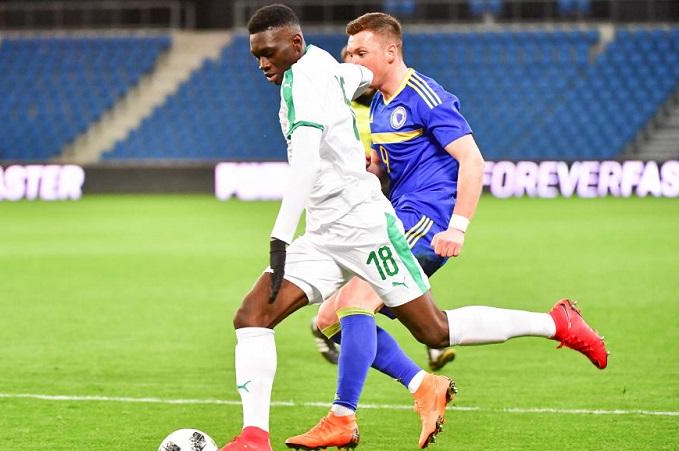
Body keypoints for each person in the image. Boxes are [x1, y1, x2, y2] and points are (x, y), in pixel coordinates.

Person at [285, 12, 609, 450]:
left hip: (425, 221)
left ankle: (343, 417)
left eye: (361, 53)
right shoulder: (377, 104)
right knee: (358, 323)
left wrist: (458, 226)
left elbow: (472, 159)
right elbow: (394, 171)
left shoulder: (425, 95)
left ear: (391, 52)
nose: (352, 62)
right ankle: (551, 326)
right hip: (393, 217)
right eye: (348, 54)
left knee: (356, 302)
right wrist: (370, 169)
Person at [222, 4, 455, 451]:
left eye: (268, 52)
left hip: (365, 227)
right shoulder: (324, 64)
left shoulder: (305, 82)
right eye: (256, 56)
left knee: (433, 330)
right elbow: (355, 77)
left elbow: (306, 165)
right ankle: (255, 437)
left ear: (294, 43)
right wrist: (369, 74)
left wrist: (279, 237)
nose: (262, 63)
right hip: (326, 233)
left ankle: (553, 325)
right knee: (256, 316)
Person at [309, 45, 457, 373]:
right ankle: (328, 321)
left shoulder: (385, 103)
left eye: (360, 58)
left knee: (392, 276)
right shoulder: (340, 107)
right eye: (350, 61)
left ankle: (428, 351)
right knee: (379, 278)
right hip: (357, 203)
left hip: (390, 198)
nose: (356, 68)